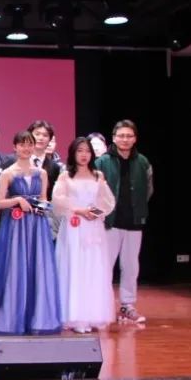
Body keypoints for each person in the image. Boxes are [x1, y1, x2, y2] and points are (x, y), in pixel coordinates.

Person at [0, 131, 62, 335]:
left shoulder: (41, 173)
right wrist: (17, 200)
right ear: (15, 147)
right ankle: (14, 317)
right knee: (16, 267)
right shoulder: (8, 173)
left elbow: (44, 199)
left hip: (37, 225)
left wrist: (42, 206)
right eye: (22, 145)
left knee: (37, 267)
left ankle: (37, 317)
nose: (26, 148)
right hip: (16, 226)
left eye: (29, 144)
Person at [54, 137, 117, 333]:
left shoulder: (98, 175)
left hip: (93, 227)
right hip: (73, 227)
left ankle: (92, 314)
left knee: (93, 267)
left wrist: (94, 213)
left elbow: (107, 202)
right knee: (74, 267)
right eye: (79, 151)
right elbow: (58, 200)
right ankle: (74, 315)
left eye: (87, 151)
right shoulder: (65, 176)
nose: (84, 155)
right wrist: (80, 210)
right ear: (73, 153)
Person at [94, 120, 153, 324]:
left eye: (129, 136)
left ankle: (127, 305)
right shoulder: (102, 162)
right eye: (121, 135)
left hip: (134, 222)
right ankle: (102, 307)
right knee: (105, 266)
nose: (125, 139)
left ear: (135, 138)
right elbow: (94, 191)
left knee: (131, 266)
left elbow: (149, 189)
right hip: (110, 223)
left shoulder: (142, 162)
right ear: (113, 138)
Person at [28, 120, 62, 197]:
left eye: (45, 135)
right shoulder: (14, 160)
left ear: (50, 139)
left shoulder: (54, 167)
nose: (41, 138)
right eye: (37, 134)